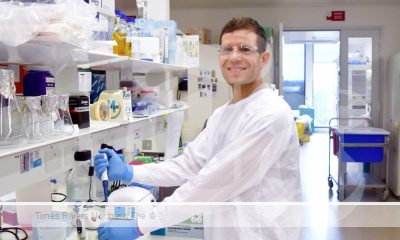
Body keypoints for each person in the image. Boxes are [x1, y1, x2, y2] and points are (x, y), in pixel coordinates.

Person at [95, 17, 301, 240]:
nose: (234, 57)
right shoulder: (223, 114)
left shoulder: (270, 113)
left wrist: (140, 225)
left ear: (264, 58)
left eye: (245, 49)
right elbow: (189, 165)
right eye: (227, 49)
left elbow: (213, 182)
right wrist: (131, 172)